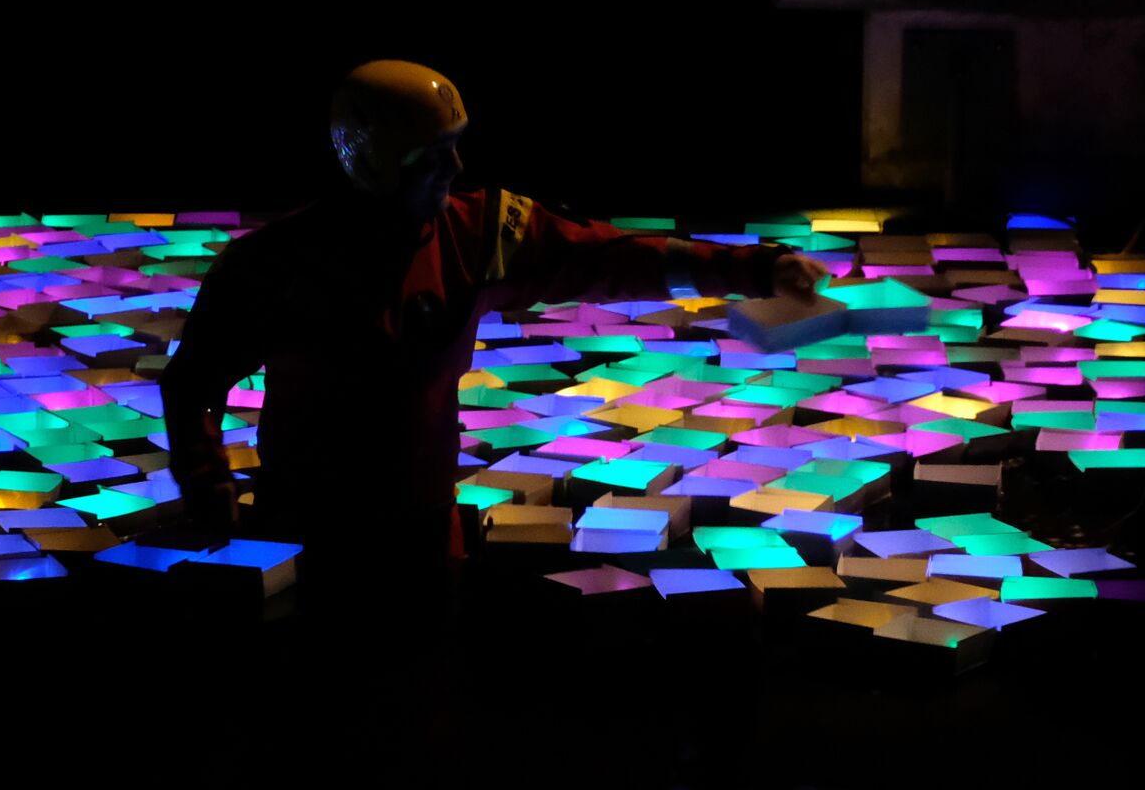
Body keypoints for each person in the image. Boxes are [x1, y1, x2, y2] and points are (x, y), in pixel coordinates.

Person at [154, 58, 832, 623]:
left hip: (426, 532)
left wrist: (756, 268)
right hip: (310, 537)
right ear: (379, 164)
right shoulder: (274, 265)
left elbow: (610, 256)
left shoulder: (479, 232)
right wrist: (211, 495)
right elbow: (192, 383)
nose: (456, 165)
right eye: (434, 155)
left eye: (456, 144)